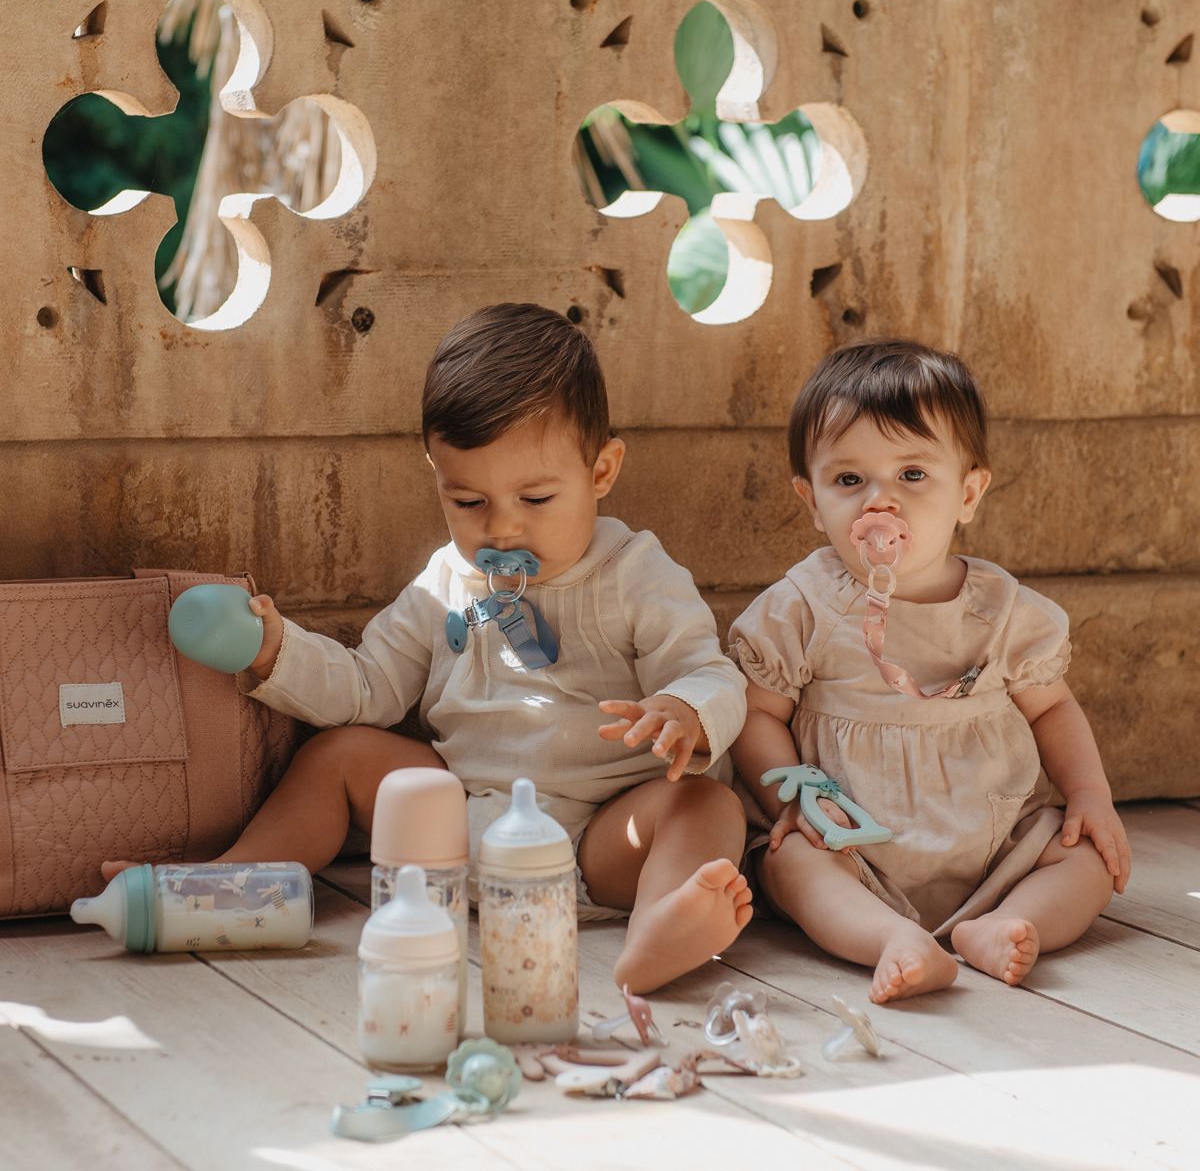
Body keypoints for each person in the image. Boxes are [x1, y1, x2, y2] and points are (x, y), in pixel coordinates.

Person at [108, 303, 750, 993]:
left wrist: (685, 710)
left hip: (601, 840)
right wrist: (275, 650)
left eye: (536, 498)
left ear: (601, 471)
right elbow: (368, 687)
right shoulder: (442, 583)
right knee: (338, 756)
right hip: (455, 830)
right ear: (437, 478)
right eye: (469, 502)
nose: (502, 528)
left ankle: (662, 926)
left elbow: (707, 670)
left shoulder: (636, 573)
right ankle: (228, 886)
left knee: (706, 806)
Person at [729, 339, 1130, 1004]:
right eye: (849, 481)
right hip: (851, 838)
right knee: (788, 863)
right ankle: (888, 936)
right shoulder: (802, 606)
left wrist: (1090, 792)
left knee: (1086, 855)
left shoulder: (1003, 611)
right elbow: (757, 714)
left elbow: (1053, 708)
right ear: (811, 500)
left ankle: (1005, 922)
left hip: (995, 840)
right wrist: (797, 803)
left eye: (912, 475)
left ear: (968, 493)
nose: (880, 503)